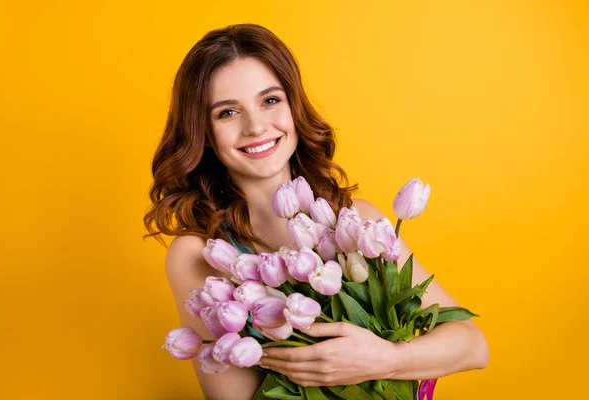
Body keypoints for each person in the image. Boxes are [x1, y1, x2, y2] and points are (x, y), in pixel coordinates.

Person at [144, 23, 489, 400]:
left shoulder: (358, 222)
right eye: (227, 112)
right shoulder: (201, 256)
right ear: (204, 134)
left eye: (270, 100)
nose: (256, 126)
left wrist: (385, 360)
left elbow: (473, 346)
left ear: (294, 106)